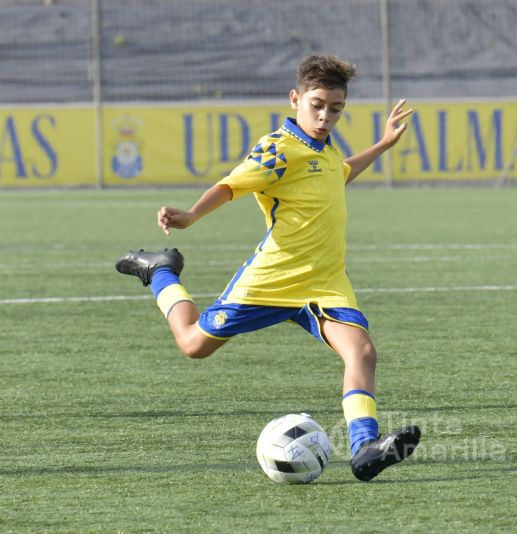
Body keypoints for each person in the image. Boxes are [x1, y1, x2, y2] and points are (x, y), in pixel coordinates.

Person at [115, 54, 420, 482]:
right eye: (317, 105)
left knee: (362, 351)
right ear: (295, 99)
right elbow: (230, 185)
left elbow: (339, 173)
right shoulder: (278, 148)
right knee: (193, 344)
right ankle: (161, 270)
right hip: (273, 279)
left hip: (325, 282)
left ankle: (364, 448)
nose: (325, 116)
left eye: (335, 109)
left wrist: (384, 144)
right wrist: (191, 215)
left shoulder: (326, 147)